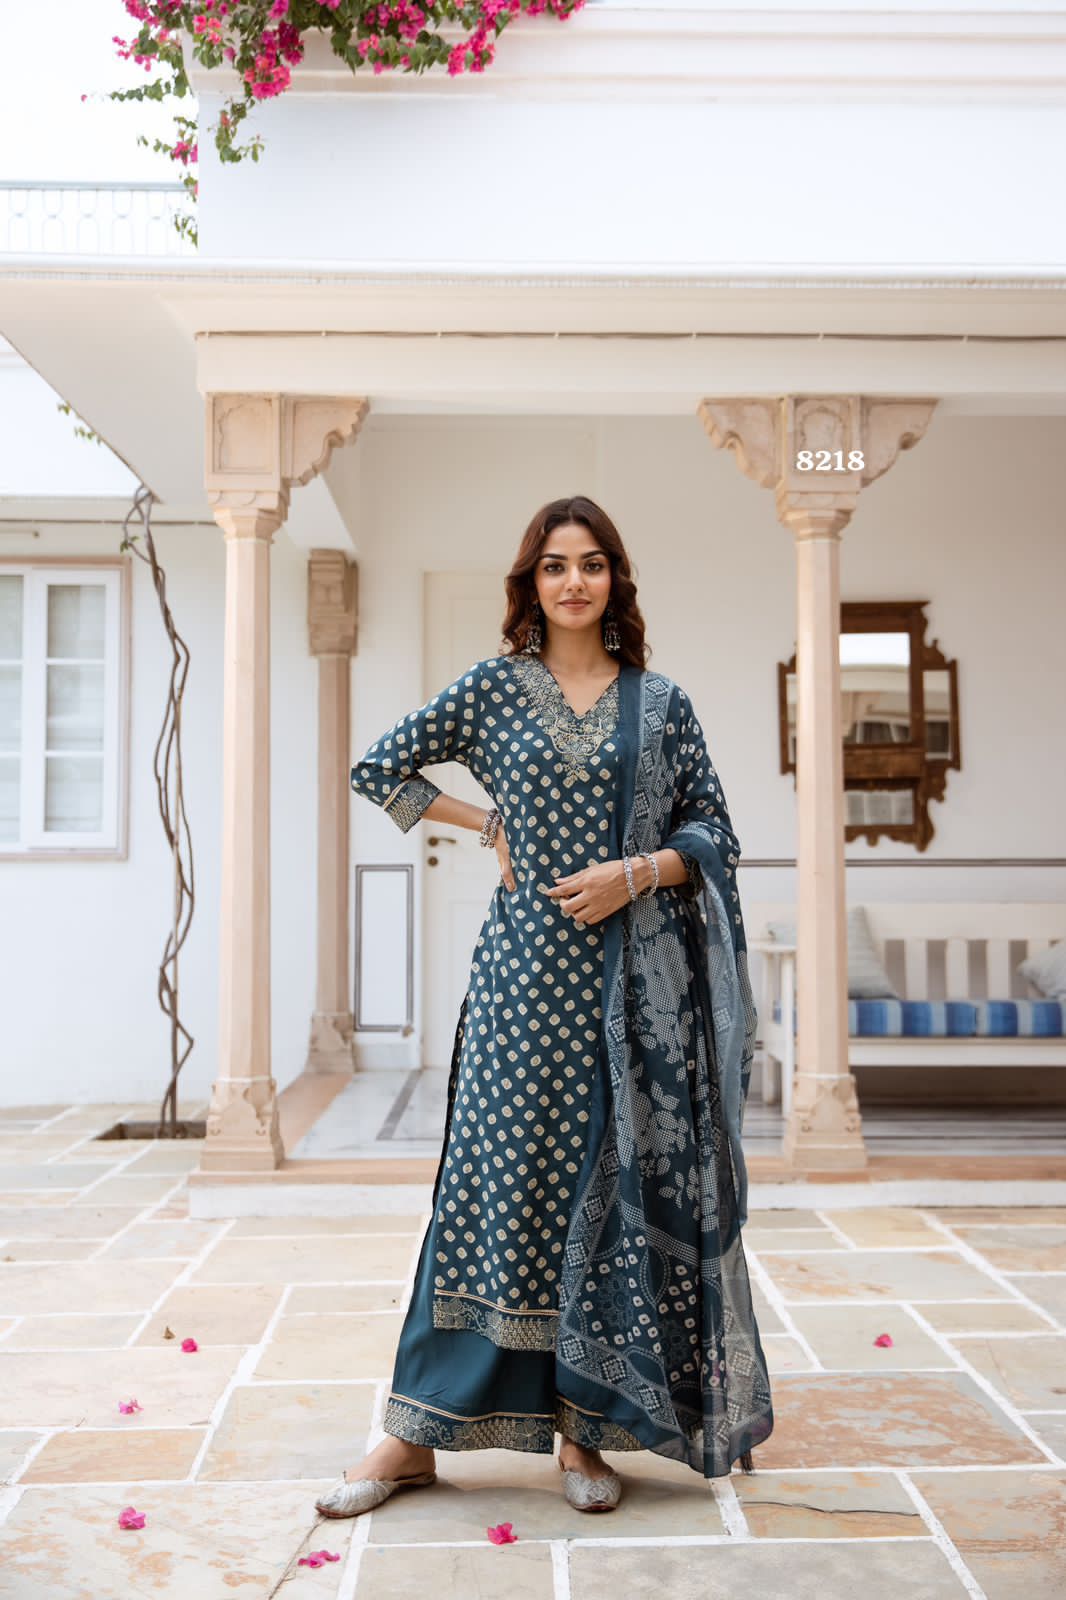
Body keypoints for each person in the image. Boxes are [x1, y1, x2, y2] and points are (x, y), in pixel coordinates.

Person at [315, 495, 773, 1520]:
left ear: (616, 580)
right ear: (531, 582)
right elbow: (376, 767)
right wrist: (488, 824)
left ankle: (583, 1427)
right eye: (556, 565)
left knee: (598, 1195)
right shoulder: (493, 689)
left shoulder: (661, 704)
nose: (575, 581)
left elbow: (714, 832)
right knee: (494, 1189)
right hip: (524, 982)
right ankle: (414, 1434)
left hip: (630, 992)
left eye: (592, 563)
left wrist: (635, 872)